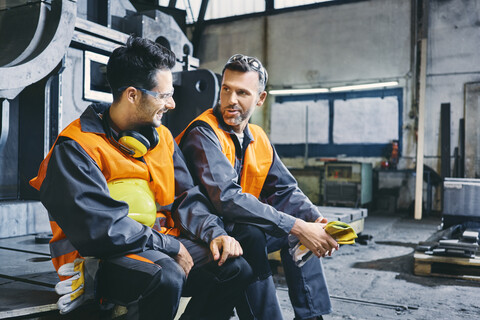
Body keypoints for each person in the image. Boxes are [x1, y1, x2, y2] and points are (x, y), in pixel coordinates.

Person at [30, 37, 253, 320]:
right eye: (163, 95)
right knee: (165, 275)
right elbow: (103, 229)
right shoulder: (76, 147)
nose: (171, 104)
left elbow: (187, 197)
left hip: (155, 243)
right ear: (132, 95)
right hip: (97, 256)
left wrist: (214, 232)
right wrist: (173, 247)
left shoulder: (163, 139)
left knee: (235, 268)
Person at [176, 54, 339, 320]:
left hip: (241, 223)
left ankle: (312, 316)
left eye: (242, 92)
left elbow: (284, 189)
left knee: (300, 231)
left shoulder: (258, 138)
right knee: (258, 234)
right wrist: (297, 225)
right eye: (226, 89)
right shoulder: (203, 133)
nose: (231, 100)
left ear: (260, 99)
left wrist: (313, 219)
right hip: (205, 229)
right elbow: (226, 199)